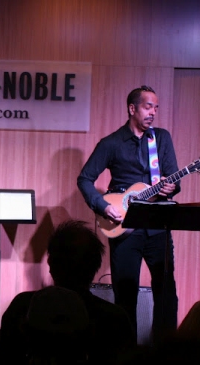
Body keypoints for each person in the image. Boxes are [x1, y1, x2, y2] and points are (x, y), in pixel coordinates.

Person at [77, 85, 180, 344]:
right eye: (148, 107)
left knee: (166, 292)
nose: (153, 112)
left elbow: (173, 178)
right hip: (124, 228)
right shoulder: (111, 143)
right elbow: (85, 179)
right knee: (126, 295)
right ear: (132, 109)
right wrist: (103, 206)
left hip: (158, 225)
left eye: (156, 107)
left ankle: (165, 351)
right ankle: (124, 353)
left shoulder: (162, 139)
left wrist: (172, 185)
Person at [0, 220, 135, 365]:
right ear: (95, 266)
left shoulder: (21, 306)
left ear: (50, 263)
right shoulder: (114, 318)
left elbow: (3, 360)